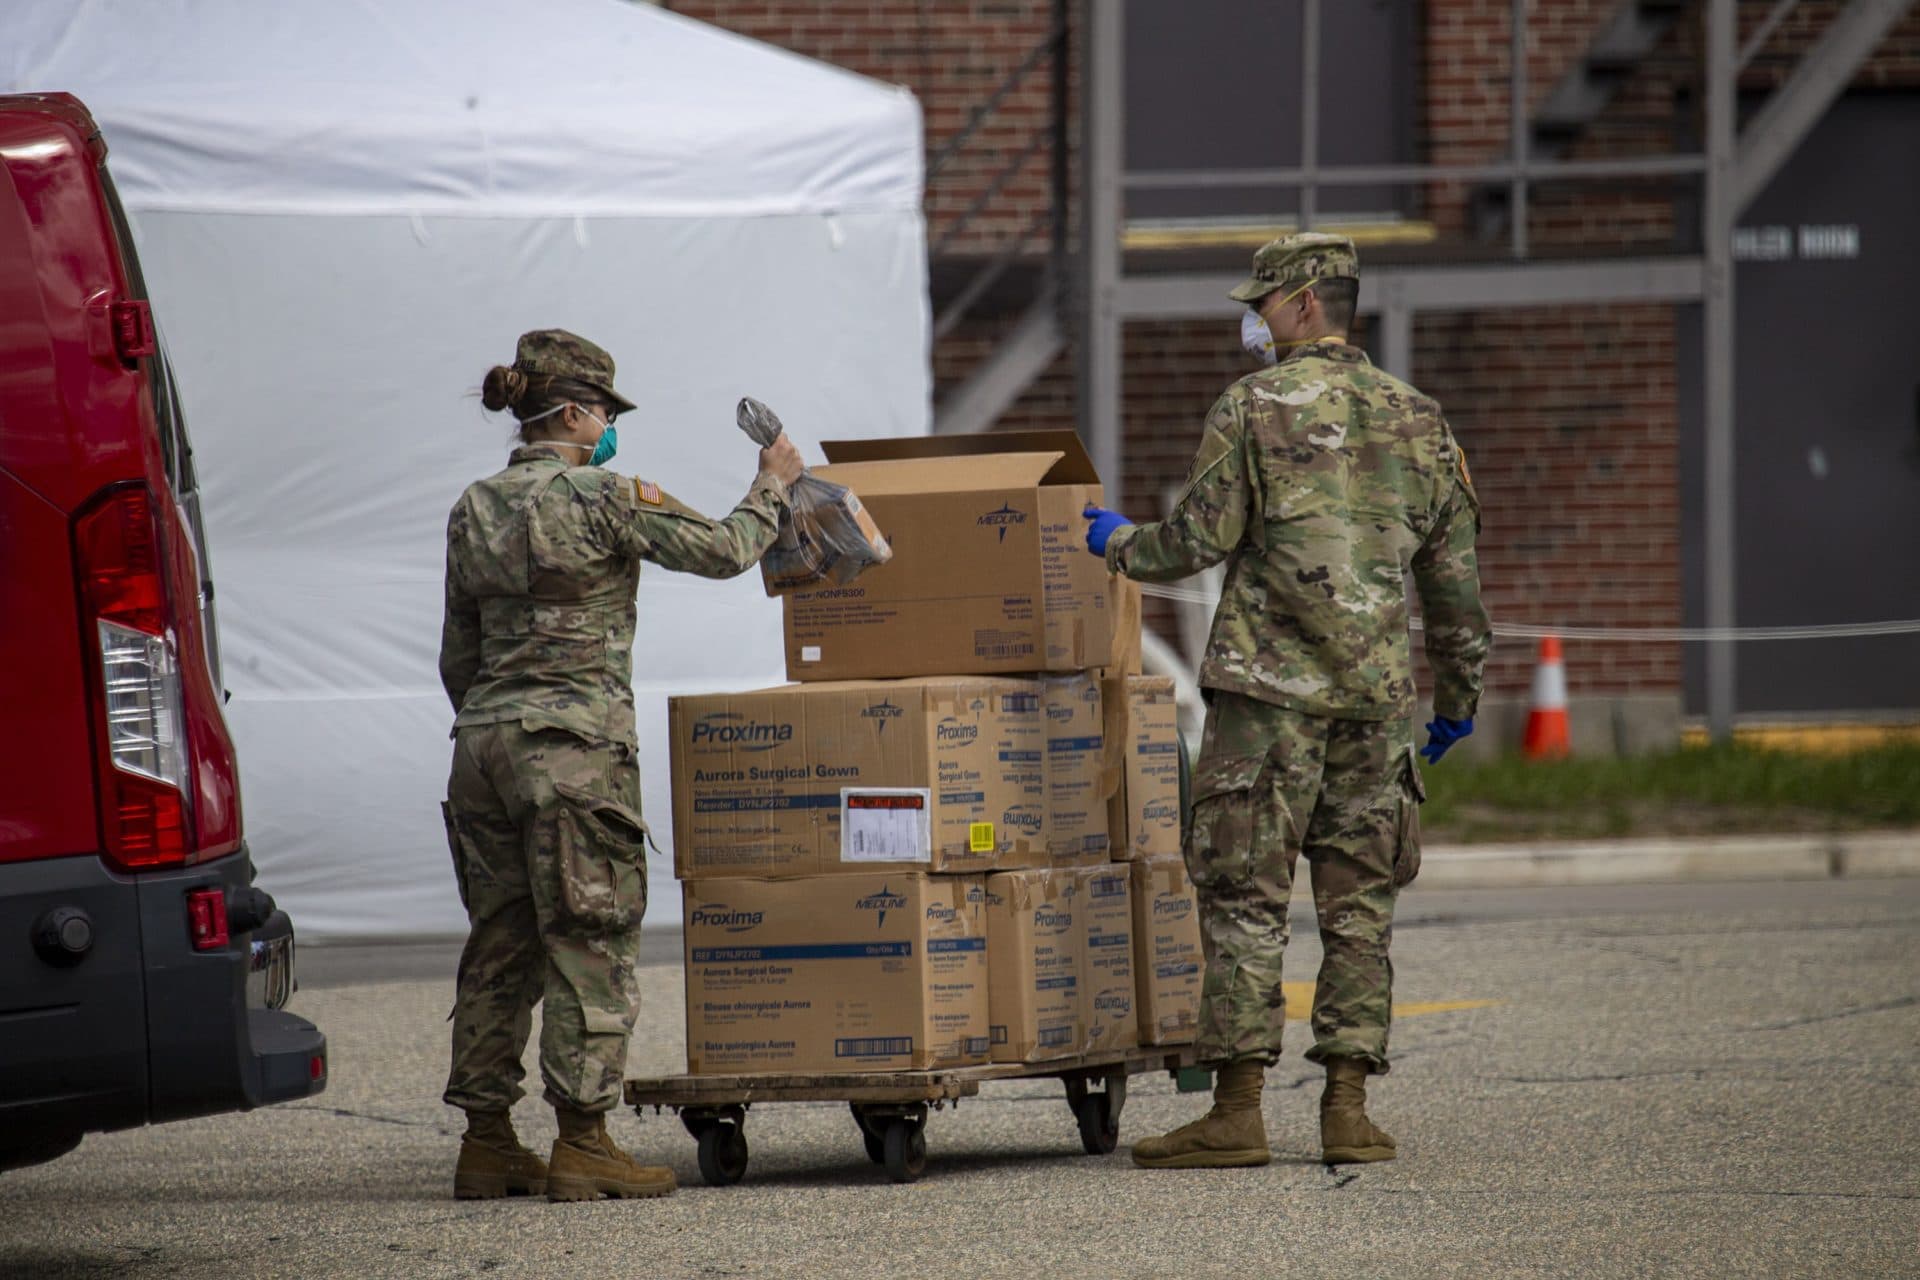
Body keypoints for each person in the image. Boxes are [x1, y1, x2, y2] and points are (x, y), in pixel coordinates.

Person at [1083, 233, 1490, 1170]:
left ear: (1306, 302)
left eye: (1263, 303)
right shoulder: (1422, 419)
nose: (1253, 320)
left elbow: (1196, 540)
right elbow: (1457, 588)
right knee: (1360, 912)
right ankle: (1347, 1110)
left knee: (1243, 903)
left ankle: (1237, 1113)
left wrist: (1116, 541)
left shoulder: (1253, 407)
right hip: (1378, 708)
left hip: (1268, 706)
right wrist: (1456, 702)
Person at [438, 329, 802, 1201]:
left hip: (482, 748)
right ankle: (584, 1141)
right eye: (603, 411)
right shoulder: (605, 496)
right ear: (571, 412)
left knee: (499, 946)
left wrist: (502, 722)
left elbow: (459, 652)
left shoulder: (474, 506)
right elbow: (721, 551)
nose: (609, 425)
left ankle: (486, 1142)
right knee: (589, 941)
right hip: (573, 754)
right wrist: (772, 486)